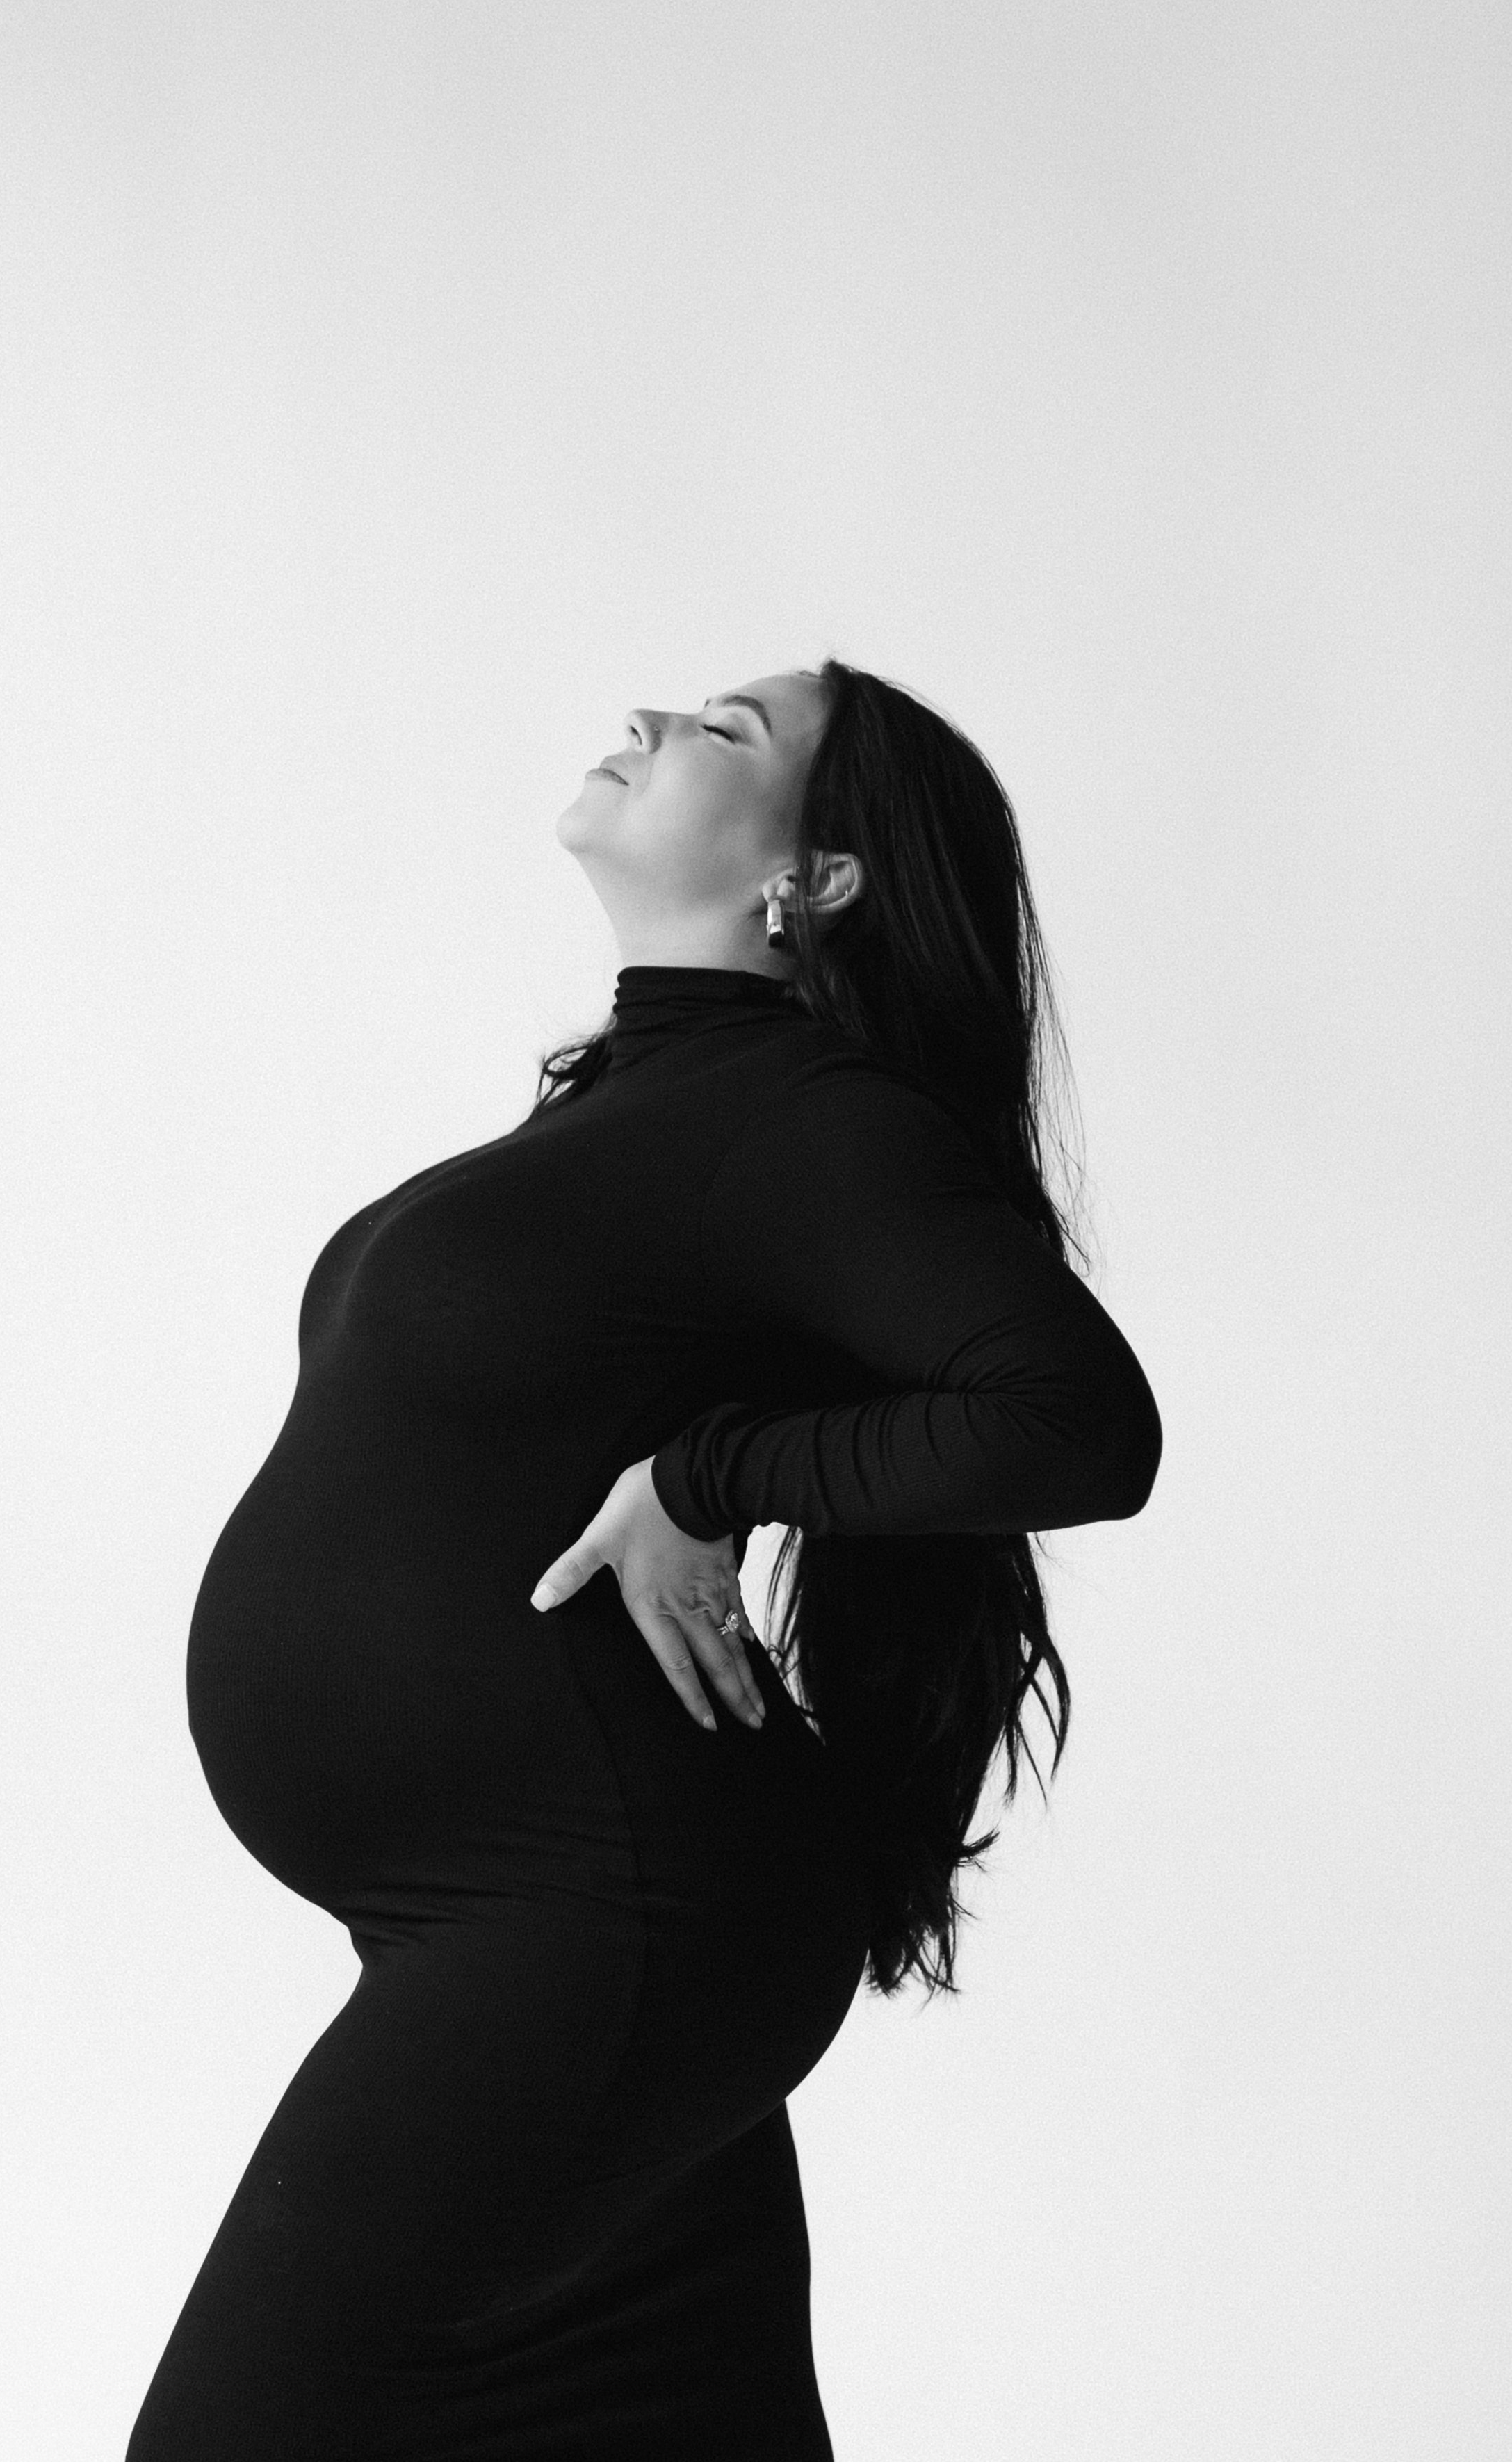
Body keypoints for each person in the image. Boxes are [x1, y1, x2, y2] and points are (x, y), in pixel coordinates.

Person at [126, 659, 1162, 2460]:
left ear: (814, 880)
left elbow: (1072, 1422)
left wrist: (711, 1476)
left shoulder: (806, 1118)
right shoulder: (640, 1113)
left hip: (596, 1924)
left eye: (723, 730)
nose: (654, 718)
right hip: (562, 1922)